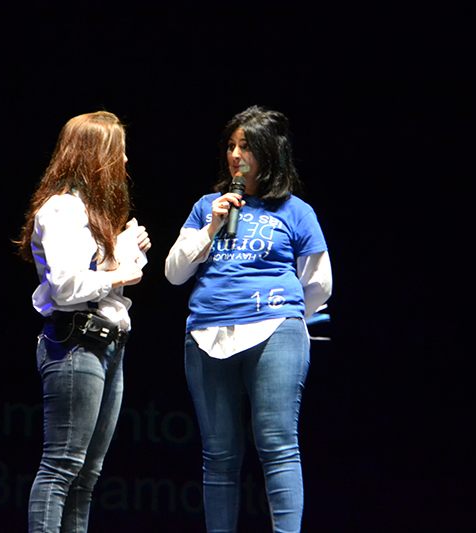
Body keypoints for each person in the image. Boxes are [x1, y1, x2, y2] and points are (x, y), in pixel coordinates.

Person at [165, 106, 332, 532]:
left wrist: (285, 314)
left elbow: (318, 283)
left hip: (275, 330)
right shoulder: (207, 207)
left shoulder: (296, 211)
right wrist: (211, 228)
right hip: (206, 334)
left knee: (277, 445)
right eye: (231, 146)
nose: (235, 155)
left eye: (246, 146)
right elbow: (174, 273)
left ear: (269, 153)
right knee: (219, 455)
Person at [16, 111, 151, 533]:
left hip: (109, 344)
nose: (125, 161)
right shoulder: (63, 209)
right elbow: (66, 288)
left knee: (86, 476)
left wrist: (127, 250)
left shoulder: (92, 213)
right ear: (96, 156)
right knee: (61, 467)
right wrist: (120, 273)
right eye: (118, 153)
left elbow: (98, 274)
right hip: (76, 343)